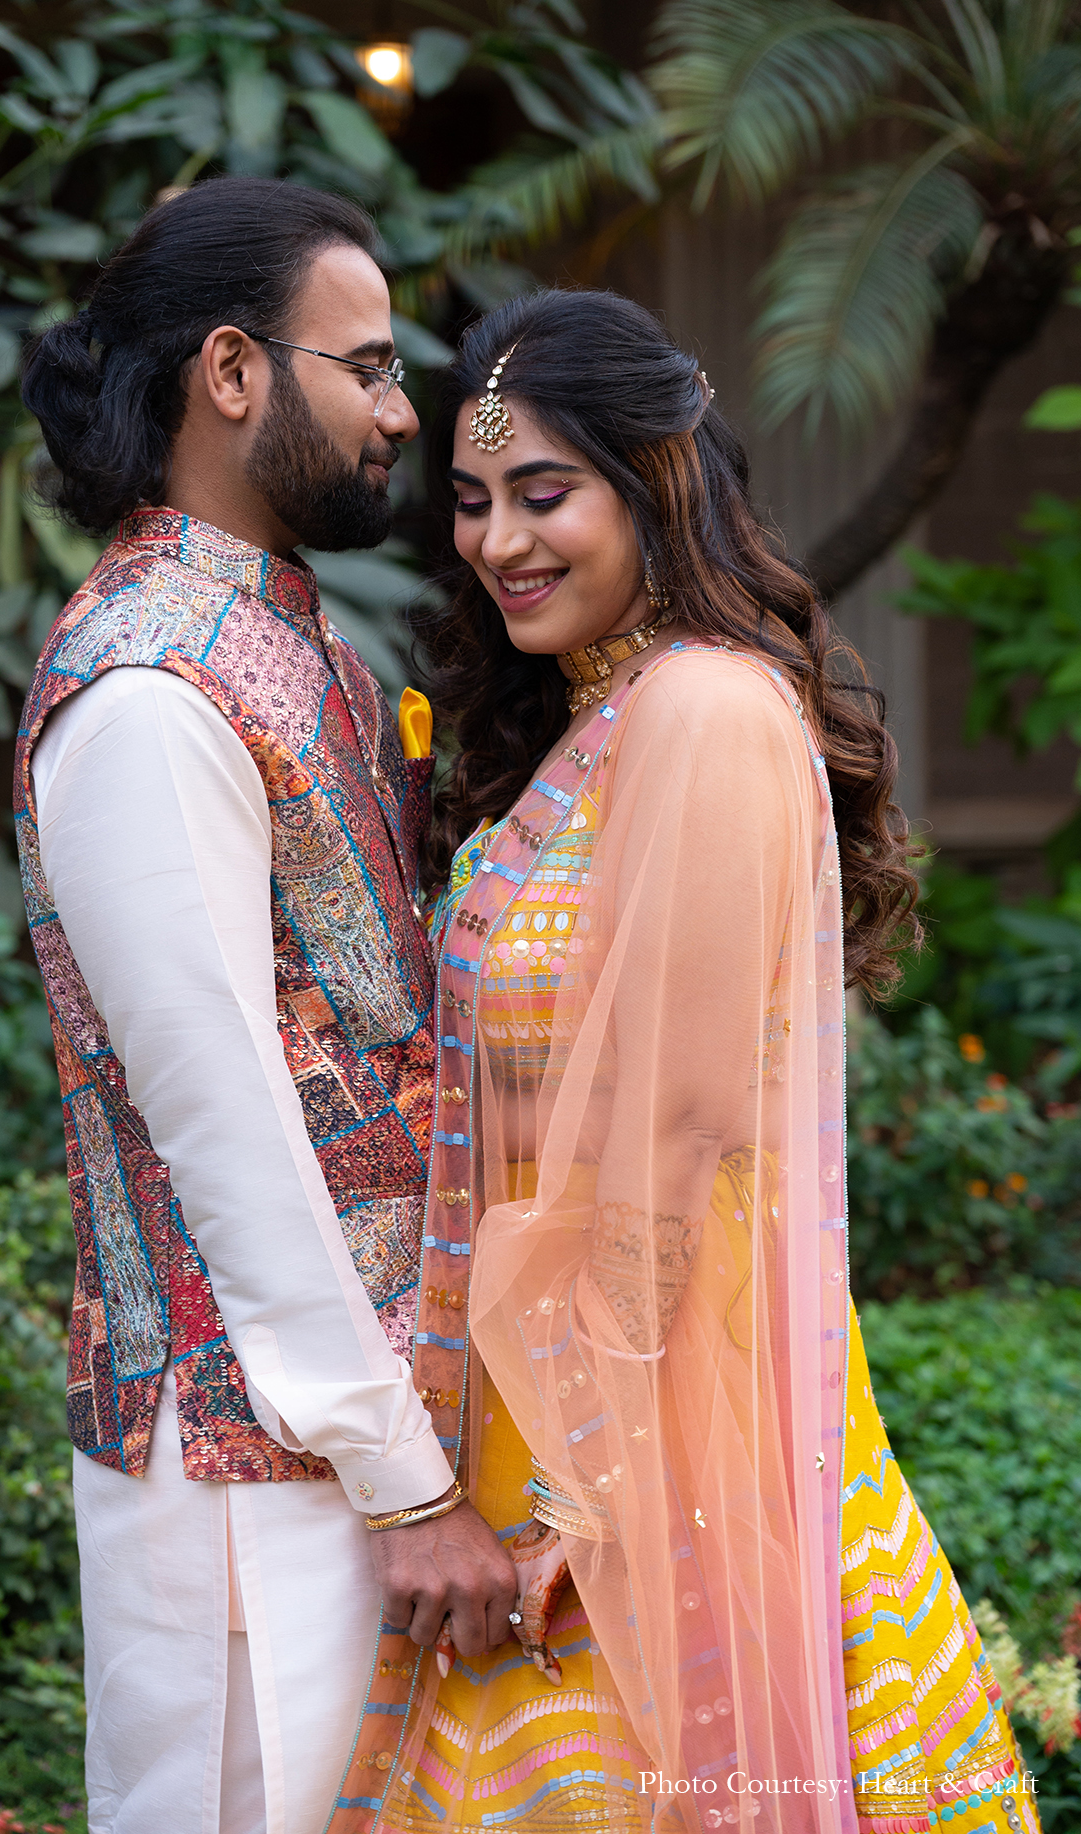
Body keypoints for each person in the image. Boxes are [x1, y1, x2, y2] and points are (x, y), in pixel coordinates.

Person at [339, 289, 1042, 1833]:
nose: (499, 541)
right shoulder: (597, 720)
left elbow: (684, 1127)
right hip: (550, 1391)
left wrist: (593, 1498)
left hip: (673, 1426)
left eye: (544, 493)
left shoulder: (707, 710)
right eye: (471, 501)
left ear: (655, 482)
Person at [14, 175, 516, 1834]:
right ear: (233, 373)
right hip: (250, 1479)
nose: (399, 413)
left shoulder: (276, 636)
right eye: (364, 366)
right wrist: (405, 1476)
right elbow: (225, 1121)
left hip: (348, 1452)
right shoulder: (153, 688)